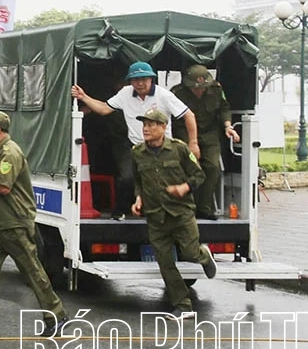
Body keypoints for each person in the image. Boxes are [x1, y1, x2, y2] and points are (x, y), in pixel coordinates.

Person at [0, 108, 67, 337]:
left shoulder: (9, 153)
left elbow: (3, 187)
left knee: (32, 271)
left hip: (15, 222)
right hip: (1, 224)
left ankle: (56, 315)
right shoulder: (0, 152)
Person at [71, 61, 197, 220]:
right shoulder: (125, 93)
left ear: (152, 79)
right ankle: (120, 212)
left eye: (144, 79)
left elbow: (189, 115)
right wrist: (84, 97)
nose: (140, 83)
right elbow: (104, 109)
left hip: (163, 147)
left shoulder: (163, 95)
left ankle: (177, 214)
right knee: (126, 178)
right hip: (135, 145)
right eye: (136, 80)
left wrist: (193, 143)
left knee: (166, 181)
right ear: (130, 81)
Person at [130, 109, 217, 320]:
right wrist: (138, 199)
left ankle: (204, 256)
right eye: (144, 125)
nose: (146, 129)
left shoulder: (178, 149)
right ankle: (183, 306)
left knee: (190, 253)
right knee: (165, 264)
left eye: (151, 125)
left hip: (180, 213)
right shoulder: (137, 152)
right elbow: (138, 182)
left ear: (163, 127)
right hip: (155, 216)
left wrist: (184, 188)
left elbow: (199, 175)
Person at [170, 65, 241, 219]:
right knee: (189, 167)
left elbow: (224, 109)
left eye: (203, 88)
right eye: (195, 88)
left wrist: (228, 126)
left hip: (209, 133)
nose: (199, 91)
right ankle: (187, 207)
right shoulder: (177, 93)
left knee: (212, 167)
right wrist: (190, 142)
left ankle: (204, 207)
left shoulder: (216, 90)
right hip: (184, 133)